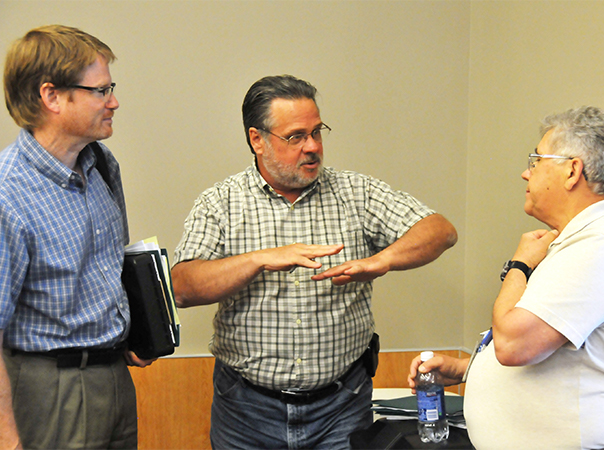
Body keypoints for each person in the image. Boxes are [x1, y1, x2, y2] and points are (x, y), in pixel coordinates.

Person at [171, 74, 458, 449]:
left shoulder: (356, 192)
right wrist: (260, 259)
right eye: (295, 137)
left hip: (342, 406)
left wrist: (382, 261)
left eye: (317, 132)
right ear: (257, 139)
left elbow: (440, 230)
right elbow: (182, 286)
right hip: (245, 411)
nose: (312, 147)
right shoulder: (220, 203)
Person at [409, 106, 604, 449]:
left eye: (536, 160)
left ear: (572, 171)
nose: (526, 173)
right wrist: (468, 369)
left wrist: (519, 266)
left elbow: (512, 344)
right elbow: (555, 354)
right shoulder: (584, 241)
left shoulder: (602, 246)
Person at [0, 25, 153, 449]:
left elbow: (110, 265)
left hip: (116, 378)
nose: (114, 102)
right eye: (100, 91)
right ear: (51, 96)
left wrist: (136, 331)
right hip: (50, 389)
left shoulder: (101, 164)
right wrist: (7, 437)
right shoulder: (7, 194)